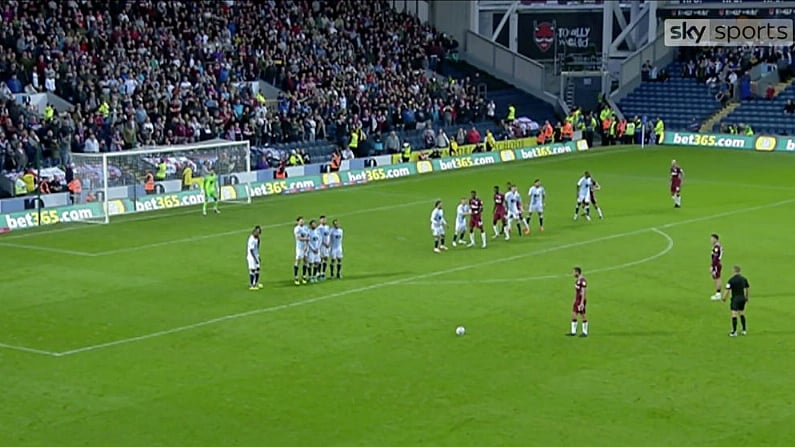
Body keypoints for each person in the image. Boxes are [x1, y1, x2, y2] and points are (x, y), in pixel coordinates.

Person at [722, 265, 750, 336]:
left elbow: (727, 290)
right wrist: (747, 297)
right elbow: (747, 288)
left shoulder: (731, 280)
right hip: (742, 298)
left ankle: (734, 331)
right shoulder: (744, 279)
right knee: (741, 313)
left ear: (733, 271)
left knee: (734, 314)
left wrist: (724, 298)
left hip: (735, 299)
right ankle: (744, 330)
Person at [567, 266, 589, 337]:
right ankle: (573, 332)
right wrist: (575, 299)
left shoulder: (583, 281)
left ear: (577, 272)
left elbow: (583, 292)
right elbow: (577, 291)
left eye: (574, 272)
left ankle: (585, 332)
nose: (573, 274)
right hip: (577, 300)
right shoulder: (577, 280)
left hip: (580, 300)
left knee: (583, 315)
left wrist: (582, 302)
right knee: (574, 315)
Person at [293, 217, 310, 286]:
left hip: (305, 247)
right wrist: (305, 239)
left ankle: (304, 276)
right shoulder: (297, 228)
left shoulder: (306, 227)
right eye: (300, 221)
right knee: (298, 260)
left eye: (303, 221)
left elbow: (308, 236)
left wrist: (306, 245)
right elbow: (298, 238)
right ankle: (296, 277)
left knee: (305, 261)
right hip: (299, 248)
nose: (302, 222)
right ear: (297, 222)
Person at [246, 226, 264, 291]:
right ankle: (251, 285)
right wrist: (255, 259)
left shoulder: (257, 238)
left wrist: (258, 256)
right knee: (252, 270)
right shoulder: (251, 239)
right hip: (251, 256)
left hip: (255, 255)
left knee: (258, 269)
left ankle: (256, 283)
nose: (258, 234)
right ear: (254, 231)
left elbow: (257, 248)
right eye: (257, 232)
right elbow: (251, 250)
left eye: (259, 232)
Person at [710, 233, 724, 301]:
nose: (711, 240)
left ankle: (718, 294)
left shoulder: (716, 247)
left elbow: (715, 257)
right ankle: (717, 293)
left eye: (712, 238)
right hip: (717, 264)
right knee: (716, 278)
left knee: (717, 278)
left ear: (715, 239)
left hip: (716, 264)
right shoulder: (718, 246)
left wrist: (712, 266)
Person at [317, 215, 331, 281]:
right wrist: (325, 243)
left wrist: (329, 243)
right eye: (322, 220)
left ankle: (323, 272)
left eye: (325, 219)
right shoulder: (319, 228)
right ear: (320, 220)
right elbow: (320, 238)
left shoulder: (327, 227)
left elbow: (328, 236)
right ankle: (318, 273)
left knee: (326, 258)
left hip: (327, 246)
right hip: (322, 245)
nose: (324, 221)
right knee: (320, 259)